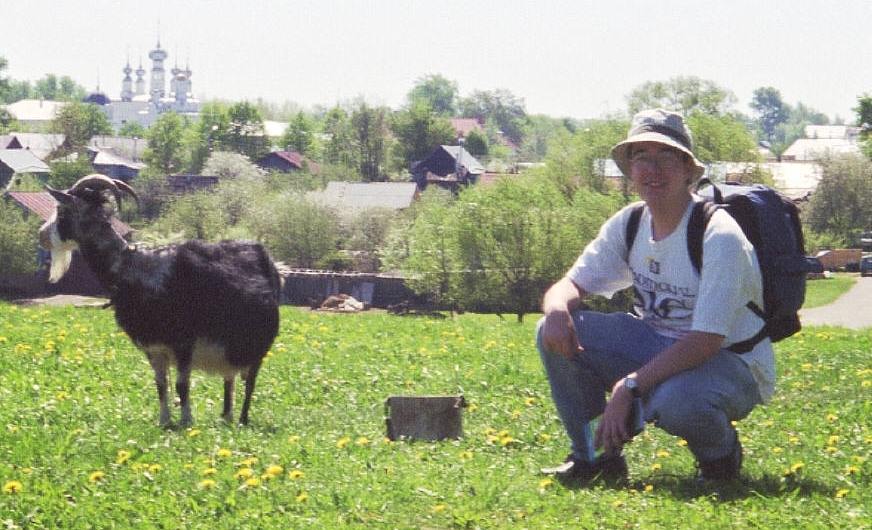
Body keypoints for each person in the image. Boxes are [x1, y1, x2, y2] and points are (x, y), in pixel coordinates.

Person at [537, 108, 774, 485]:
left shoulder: (718, 235)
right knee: (553, 331)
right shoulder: (630, 222)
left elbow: (705, 340)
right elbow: (569, 285)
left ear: (687, 169)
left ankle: (720, 458)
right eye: (641, 157)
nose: (652, 169)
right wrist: (555, 310)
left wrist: (629, 386)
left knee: (674, 400)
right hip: (659, 345)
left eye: (665, 157)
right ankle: (595, 458)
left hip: (731, 361)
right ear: (630, 170)